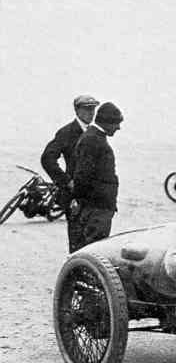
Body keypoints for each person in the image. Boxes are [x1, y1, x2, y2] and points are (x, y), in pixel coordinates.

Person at [41, 94, 100, 252]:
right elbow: (47, 159)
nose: (91, 113)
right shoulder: (66, 132)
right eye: (87, 109)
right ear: (77, 110)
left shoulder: (95, 133)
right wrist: (66, 181)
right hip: (75, 196)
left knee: (95, 243)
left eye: (93, 109)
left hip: (94, 197)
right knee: (77, 242)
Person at [70, 102, 124, 251]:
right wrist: (85, 204)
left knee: (93, 249)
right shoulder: (92, 140)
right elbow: (82, 175)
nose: (118, 128)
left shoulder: (95, 138)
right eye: (116, 123)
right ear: (107, 122)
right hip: (96, 209)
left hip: (98, 208)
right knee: (93, 250)